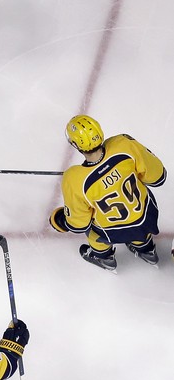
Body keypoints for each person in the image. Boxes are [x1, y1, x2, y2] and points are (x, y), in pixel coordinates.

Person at [49, 115, 166, 271]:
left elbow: (79, 224)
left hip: (112, 230)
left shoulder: (74, 179)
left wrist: (60, 220)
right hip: (146, 215)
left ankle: (104, 259)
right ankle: (147, 251)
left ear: (75, 144)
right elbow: (158, 177)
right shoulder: (123, 144)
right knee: (139, 228)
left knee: (94, 234)